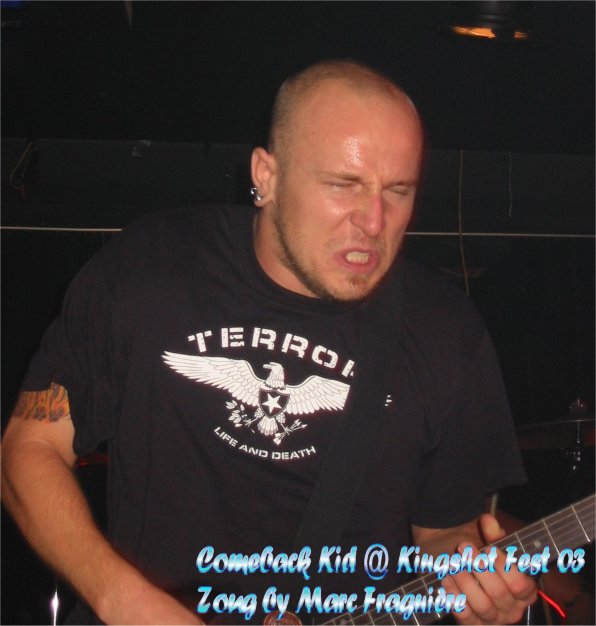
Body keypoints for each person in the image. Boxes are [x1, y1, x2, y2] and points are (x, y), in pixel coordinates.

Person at [1, 59, 536, 625]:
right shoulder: (152, 268)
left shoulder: (444, 331)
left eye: (398, 191)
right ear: (267, 175)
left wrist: (472, 579)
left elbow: (443, 531)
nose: (375, 222)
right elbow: (28, 450)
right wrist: (122, 600)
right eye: (343, 185)